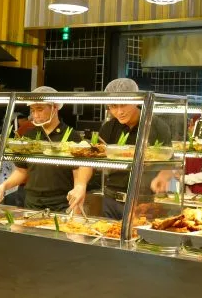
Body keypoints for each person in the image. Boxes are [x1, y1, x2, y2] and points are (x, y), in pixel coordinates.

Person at [69, 78, 172, 219]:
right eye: (113, 106)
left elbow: (169, 161)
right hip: (110, 199)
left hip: (141, 201)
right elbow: (90, 158)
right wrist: (80, 185)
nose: (119, 112)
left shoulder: (156, 126)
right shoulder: (109, 127)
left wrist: (162, 177)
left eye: (123, 104)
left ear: (136, 100)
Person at [0, 87, 89, 212]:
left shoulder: (71, 136)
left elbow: (80, 169)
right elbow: (22, 171)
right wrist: (4, 186)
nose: (35, 115)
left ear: (54, 108)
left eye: (40, 109)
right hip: (32, 201)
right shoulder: (29, 136)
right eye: (32, 110)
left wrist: (79, 188)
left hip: (61, 202)